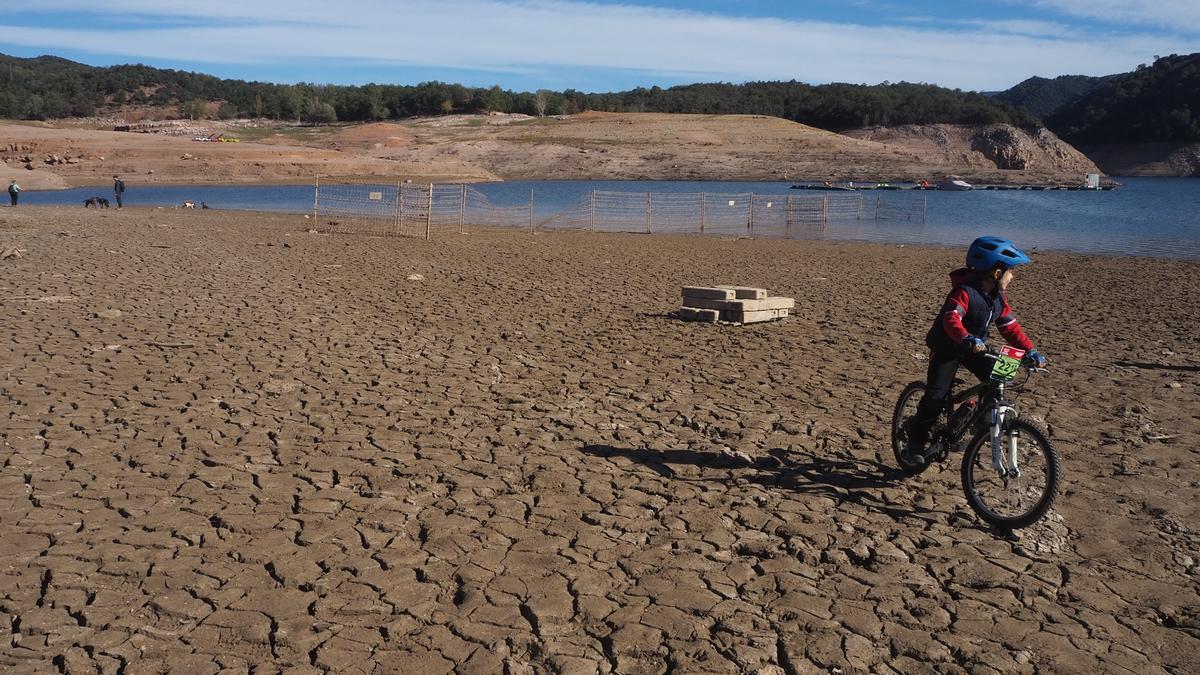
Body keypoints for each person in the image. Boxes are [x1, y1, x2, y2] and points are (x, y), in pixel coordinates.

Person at [904, 236, 1048, 465]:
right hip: (949, 346)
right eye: (1010, 271)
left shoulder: (998, 297)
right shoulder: (964, 292)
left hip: (975, 347)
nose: (1013, 276)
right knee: (936, 395)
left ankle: (980, 420)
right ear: (996, 273)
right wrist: (965, 337)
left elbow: (1010, 328)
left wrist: (1030, 351)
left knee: (1000, 373)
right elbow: (952, 319)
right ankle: (915, 440)